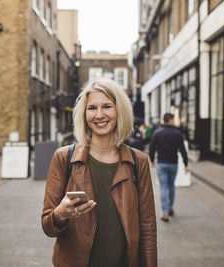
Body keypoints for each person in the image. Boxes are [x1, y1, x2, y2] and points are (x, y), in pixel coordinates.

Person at [42, 78, 157, 267]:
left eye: (107, 106)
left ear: (119, 111)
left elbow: (148, 229)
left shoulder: (138, 162)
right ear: (84, 114)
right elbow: (48, 226)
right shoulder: (64, 158)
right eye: (92, 108)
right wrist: (60, 214)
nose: (99, 115)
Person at [149, 113, 189, 222]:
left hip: (161, 163)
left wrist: (152, 160)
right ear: (170, 120)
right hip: (173, 164)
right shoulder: (177, 133)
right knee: (171, 186)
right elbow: (183, 150)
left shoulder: (157, 133)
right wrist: (186, 164)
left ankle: (165, 213)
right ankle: (170, 207)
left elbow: (151, 147)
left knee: (163, 187)